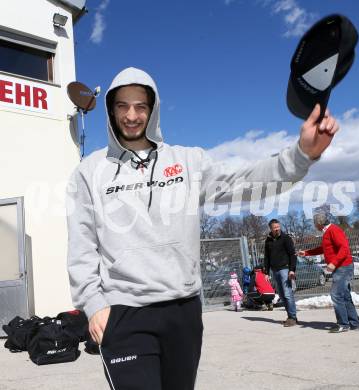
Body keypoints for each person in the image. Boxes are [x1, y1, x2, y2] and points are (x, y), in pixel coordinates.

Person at [66, 67, 339, 390]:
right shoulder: (89, 172)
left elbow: (245, 181)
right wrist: (95, 306)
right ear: (111, 109)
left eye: (140, 106)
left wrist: (301, 155)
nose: (131, 115)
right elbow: (82, 248)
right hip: (124, 313)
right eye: (122, 105)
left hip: (182, 310)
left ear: (153, 109)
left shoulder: (187, 162)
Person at [299, 213, 359, 332]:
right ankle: (354, 323)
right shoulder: (327, 232)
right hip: (340, 267)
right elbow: (324, 248)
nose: (314, 225)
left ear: (318, 224)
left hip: (343, 267)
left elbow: (344, 248)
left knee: (336, 295)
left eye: (314, 223)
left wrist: (333, 263)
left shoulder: (333, 230)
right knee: (345, 296)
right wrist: (306, 253)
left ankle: (343, 324)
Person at [263, 219, 298, 326]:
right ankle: (290, 317)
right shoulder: (268, 241)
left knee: (287, 294)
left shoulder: (285, 238)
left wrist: (292, 269)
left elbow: (293, 254)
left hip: (285, 269)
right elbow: (267, 257)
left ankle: (292, 317)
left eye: (278, 226)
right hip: (275, 270)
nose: (277, 229)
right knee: (282, 295)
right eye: (275, 227)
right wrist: (266, 272)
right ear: (271, 229)